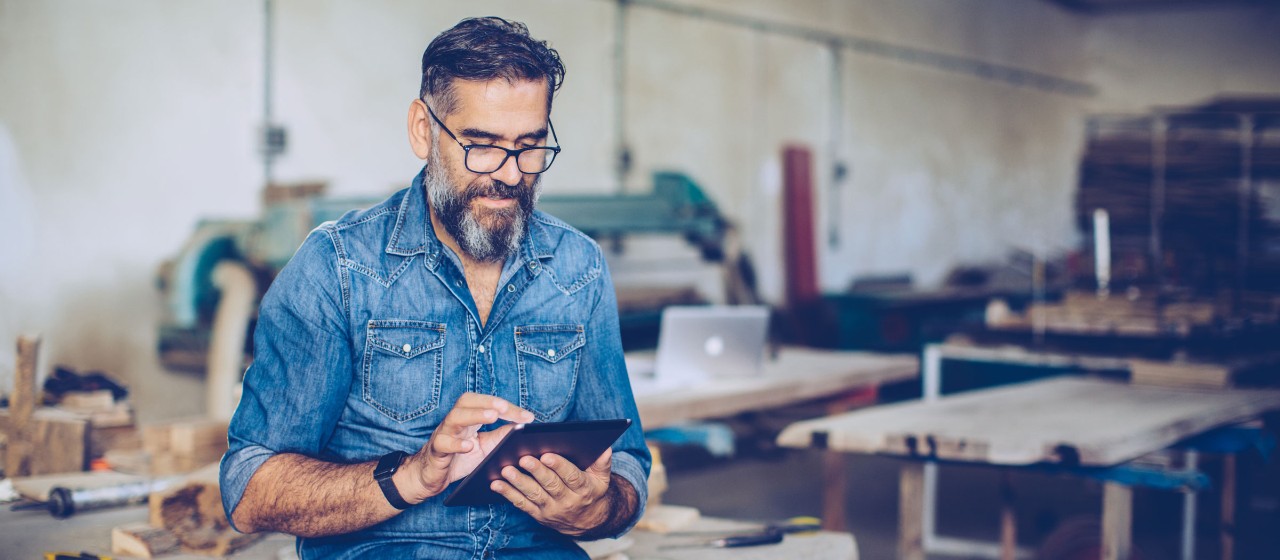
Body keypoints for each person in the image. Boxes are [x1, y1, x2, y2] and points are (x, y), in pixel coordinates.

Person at [219, 16, 650, 559]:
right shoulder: (338, 268)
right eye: (482, 145)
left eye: (530, 145)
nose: (511, 175)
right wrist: (412, 476)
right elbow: (249, 487)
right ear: (423, 130)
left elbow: (629, 462)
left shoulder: (577, 267)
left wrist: (597, 508)